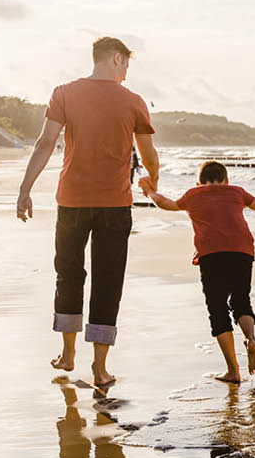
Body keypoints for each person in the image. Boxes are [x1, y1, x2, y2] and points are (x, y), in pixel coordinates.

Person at [17, 36, 159, 387]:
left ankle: (67, 354)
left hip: (72, 202)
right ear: (115, 59)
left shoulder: (64, 93)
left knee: (68, 274)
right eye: (125, 63)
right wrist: (152, 182)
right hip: (114, 204)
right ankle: (99, 367)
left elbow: (45, 143)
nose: (126, 71)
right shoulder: (134, 101)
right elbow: (149, 152)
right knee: (108, 282)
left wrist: (25, 189)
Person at [138, 161, 255, 383]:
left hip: (211, 255)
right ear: (226, 181)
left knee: (217, 309)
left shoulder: (193, 194)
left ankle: (233, 370)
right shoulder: (236, 192)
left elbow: (166, 204)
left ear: (199, 183)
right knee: (241, 301)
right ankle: (251, 339)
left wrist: (149, 192)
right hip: (242, 252)